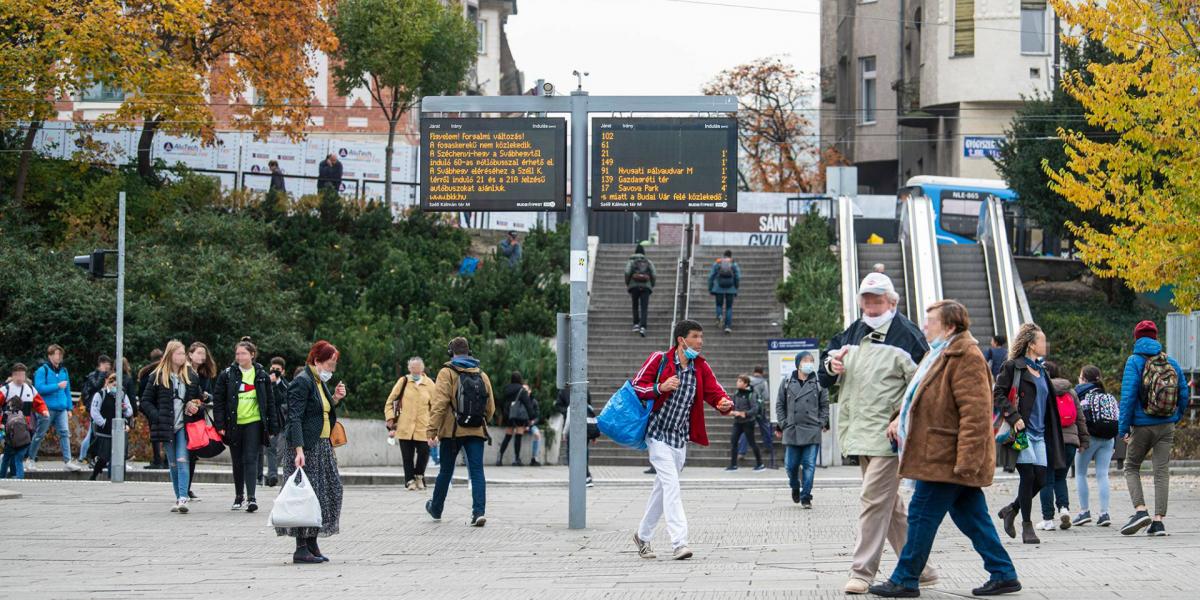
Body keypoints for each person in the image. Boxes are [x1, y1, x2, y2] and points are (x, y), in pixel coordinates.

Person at [869, 300, 1021, 598]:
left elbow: (976, 415)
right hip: (941, 454)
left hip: (946, 457)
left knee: (921, 513)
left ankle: (905, 578)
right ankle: (1003, 573)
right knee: (972, 517)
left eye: (931, 321)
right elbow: (918, 397)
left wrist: (967, 461)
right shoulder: (937, 354)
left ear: (950, 326)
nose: (925, 326)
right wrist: (898, 418)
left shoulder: (966, 356)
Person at [819, 273, 936, 594]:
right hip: (858, 434)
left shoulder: (908, 336)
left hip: (890, 437)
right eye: (866, 298)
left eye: (877, 298)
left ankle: (862, 571)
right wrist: (832, 367)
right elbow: (823, 375)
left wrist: (902, 417)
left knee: (872, 501)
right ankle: (920, 567)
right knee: (891, 506)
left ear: (892, 301)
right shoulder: (852, 332)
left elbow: (925, 387)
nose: (871, 304)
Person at [630, 319, 734, 561]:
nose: (700, 342)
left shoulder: (700, 367)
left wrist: (724, 403)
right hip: (656, 434)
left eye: (701, 336)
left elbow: (715, 391)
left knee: (662, 488)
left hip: (679, 439)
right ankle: (680, 543)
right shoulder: (660, 359)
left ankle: (642, 536)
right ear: (681, 340)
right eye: (695, 336)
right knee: (672, 486)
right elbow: (637, 387)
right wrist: (660, 387)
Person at [993, 322, 1067, 545]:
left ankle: (1011, 509)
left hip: (1040, 434)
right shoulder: (1013, 367)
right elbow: (998, 393)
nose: (1046, 344)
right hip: (1022, 433)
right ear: (1031, 345)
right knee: (1028, 477)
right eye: (1042, 341)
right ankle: (1027, 526)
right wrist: (1014, 417)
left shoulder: (1042, 371)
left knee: (1042, 479)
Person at [1117, 320, 1190, 537]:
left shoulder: (1134, 361)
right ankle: (1158, 521)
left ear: (1136, 338)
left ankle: (1140, 511)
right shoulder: (1171, 362)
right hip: (1166, 424)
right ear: (1156, 337)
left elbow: (1128, 397)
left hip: (1141, 425)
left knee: (1131, 467)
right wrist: (1175, 417)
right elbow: (1184, 394)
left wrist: (1124, 429)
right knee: (1161, 472)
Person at [280, 341, 347, 563]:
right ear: (317, 360)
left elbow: (319, 412)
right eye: (329, 364)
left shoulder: (318, 381)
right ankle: (301, 547)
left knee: (327, 492)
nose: (332, 369)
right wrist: (298, 449)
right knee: (306, 496)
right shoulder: (303, 382)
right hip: (307, 447)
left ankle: (312, 542)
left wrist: (335, 399)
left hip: (322, 446)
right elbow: (295, 417)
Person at [425, 337, 496, 527]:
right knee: (477, 471)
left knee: (446, 471)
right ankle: (478, 512)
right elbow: (490, 408)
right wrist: (480, 420)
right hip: (476, 430)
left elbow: (439, 404)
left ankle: (436, 508)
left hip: (452, 432)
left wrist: (432, 429)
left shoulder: (447, 372)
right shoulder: (482, 374)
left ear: (451, 353)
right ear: (469, 352)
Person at [139, 340, 205, 513]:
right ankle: (178, 497)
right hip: (166, 425)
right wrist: (157, 417)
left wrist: (195, 406)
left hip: (184, 425)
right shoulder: (158, 376)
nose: (182, 357)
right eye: (179, 353)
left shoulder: (191, 376)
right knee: (173, 463)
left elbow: (199, 401)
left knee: (183, 459)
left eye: (183, 353)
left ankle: (183, 498)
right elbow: (145, 402)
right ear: (170, 355)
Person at [213, 338, 276, 513]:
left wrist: (272, 427)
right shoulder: (227, 374)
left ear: (252, 355)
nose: (239, 356)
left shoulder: (261, 375)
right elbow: (218, 401)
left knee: (251, 459)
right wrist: (220, 424)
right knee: (238, 461)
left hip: (254, 423)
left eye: (243, 353)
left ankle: (251, 498)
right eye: (237, 353)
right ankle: (238, 496)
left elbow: (270, 402)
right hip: (234, 423)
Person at [1037, 361, 1089, 532]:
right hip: (1070, 442)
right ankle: (1064, 509)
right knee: (1061, 477)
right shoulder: (1071, 391)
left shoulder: (1042, 389)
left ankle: (1048, 519)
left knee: (1046, 479)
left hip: (1049, 441)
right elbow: (1080, 418)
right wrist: (1083, 441)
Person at [776, 352, 828, 508]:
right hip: (792, 429)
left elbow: (825, 405)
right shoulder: (786, 382)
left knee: (809, 465)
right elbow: (780, 404)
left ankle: (806, 496)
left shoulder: (819, 382)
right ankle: (794, 486)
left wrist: (821, 422)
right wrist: (784, 423)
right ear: (798, 363)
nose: (809, 363)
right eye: (806, 360)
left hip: (812, 429)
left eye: (811, 361)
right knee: (790, 466)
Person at [1073, 365, 1117, 527]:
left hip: (1090, 438)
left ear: (1084, 379)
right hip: (1108, 438)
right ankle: (1104, 513)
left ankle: (1084, 511)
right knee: (1102, 474)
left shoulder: (1081, 395)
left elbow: (1080, 419)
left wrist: (1081, 440)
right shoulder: (1108, 396)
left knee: (1080, 473)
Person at [384, 357, 435, 490]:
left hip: (423, 426)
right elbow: (392, 401)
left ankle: (419, 475)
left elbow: (436, 407)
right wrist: (391, 418)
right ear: (409, 368)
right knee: (407, 457)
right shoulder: (403, 381)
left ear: (422, 369)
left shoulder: (429, 384)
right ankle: (409, 481)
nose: (415, 371)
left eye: (417, 368)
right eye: (412, 368)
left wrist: (435, 425)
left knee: (424, 452)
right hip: (404, 425)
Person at [29, 344, 83, 472]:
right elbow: (39, 388)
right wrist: (57, 386)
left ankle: (68, 461)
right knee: (40, 434)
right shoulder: (43, 370)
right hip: (46, 408)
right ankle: (30, 459)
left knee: (65, 433)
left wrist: (69, 408)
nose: (58, 357)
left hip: (61, 409)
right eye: (56, 354)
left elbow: (67, 391)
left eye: (60, 354)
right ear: (50, 355)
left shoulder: (64, 371)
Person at [2, 363, 47, 477]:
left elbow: (39, 402)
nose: (20, 377)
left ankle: (14, 476)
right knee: (11, 452)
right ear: (13, 375)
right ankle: (11, 476)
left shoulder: (30, 389)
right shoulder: (5, 389)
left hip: (24, 428)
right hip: (8, 428)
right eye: (17, 375)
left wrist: (44, 411)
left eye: (22, 375)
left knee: (17, 453)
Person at [186, 342, 217, 501]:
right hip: (186, 416)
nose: (202, 356)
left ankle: (187, 488)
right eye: (198, 353)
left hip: (198, 417)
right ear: (190, 354)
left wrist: (206, 396)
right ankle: (183, 488)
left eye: (203, 354)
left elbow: (211, 395)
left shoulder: (205, 375)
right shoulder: (184, 372)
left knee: (192, 454)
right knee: (185, 453)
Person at [87, 373, 133, 481]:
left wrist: (125, 408)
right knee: (104, 456)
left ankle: (115, 477)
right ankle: (94, 475)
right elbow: (94, 411)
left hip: (119, 430)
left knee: (119, 455)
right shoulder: (100, 394)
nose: (115, 387)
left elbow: (129, 411)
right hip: (105, 431)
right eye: (113, 384)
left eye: (117, 385)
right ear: (108, 383)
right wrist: (103, 423)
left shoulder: (122, 395)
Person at [739, 365, 777, 469]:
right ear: (762, 372)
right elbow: (766, 397)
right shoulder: (763, 382)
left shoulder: (748, 380)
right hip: (760, 409)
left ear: (754, 371)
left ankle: (741, 452)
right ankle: (768, 446)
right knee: (764, 427)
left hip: (748, 407)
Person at [261, 356, 290, 487]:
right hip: (269, 420)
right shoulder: (263, 381)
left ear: (283, 371)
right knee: (271, 448)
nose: (275, 371)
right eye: (273, 368)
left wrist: (274, 383)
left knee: (281, 450)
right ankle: (272, 475)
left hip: (282, 421)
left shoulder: (286, 385)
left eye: (278, 369)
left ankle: (270, 474)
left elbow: (279, 399)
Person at [78, 355, 113, 464]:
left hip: (99, 406)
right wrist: (102, 374)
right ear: (102, 363)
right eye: (107, 364)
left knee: (92, 432)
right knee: (93, 433)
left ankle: (83, 455)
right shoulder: (93, 375)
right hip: (94, 407)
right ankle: (85, 455)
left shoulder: (101, 375)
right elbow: (96, 386)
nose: (109, 366)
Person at [496, 371, 536, 466]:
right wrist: (532, 417)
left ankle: (499, 457)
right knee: (518, 436)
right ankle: (516, 459)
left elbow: (501, 402)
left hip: (508, 415)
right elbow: (528, 404)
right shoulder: (522, 390)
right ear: (520, 379)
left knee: (508, 436)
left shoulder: (506, 389)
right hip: (519, 416)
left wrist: (504, 413)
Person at [726, 375, 764, 472]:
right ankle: (733, 465)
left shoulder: (751, 394)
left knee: (752, 443)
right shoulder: (737, 393)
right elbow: (734, 405)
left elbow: (755, 409)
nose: (737, 383)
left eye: (740, 381)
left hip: (748, 422)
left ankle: (760, 464)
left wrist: (744, 413)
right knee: (733, 441)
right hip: (737, 422)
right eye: (738, 381)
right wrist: (731, 411)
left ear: (745, 384)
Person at [138, 349, 165, 470]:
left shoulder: (145, 372)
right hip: (163, 407)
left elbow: (142, 393)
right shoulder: (164, 371)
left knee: (155, 435)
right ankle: (167, 461)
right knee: (167, 434)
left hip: (151, 408)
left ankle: (157, 460)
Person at [625, 244, 656, 337]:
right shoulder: (648, 261)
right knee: (644, 307)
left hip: (634, 286)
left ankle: (635, 324)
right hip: (646, 286)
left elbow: (627, 272)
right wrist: (651, 285)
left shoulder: (631, 261)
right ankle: (643, 327)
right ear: (643, 253)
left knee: (635, 305)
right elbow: (654, 274)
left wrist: (628, 283)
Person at [708, 250, 740, 334]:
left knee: (719, 305)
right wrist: (736, 287)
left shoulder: (718, 263)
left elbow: (711, 276)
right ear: (730, 256)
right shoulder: (733, 264)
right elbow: (738, 277)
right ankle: (728, 327)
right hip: (731, 289)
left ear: (724, 255)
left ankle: (719, 316)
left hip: (718, 288)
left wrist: (710, 288)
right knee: (729, 307)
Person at [524, 383, 543, 467]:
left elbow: (537, 416)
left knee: (537, 434)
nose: (525, 391)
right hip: (520, 424)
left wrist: (532, 423)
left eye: (526, 390)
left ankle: (534, 458)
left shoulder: (533, 401)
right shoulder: (520, 400)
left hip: (531, 425)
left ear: (530, 391)